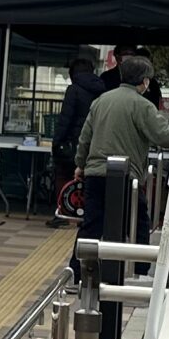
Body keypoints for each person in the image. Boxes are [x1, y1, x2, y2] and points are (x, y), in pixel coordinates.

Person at [75, 55, 169, 339]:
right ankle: (140, 272)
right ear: (144, 81)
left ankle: (80, 271)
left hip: (95, 172)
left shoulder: (101, 101)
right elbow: (164, 136)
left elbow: (85, 136)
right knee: (138, 221)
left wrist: (80, 164)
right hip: (126, 177)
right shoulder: (142, 105)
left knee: (92, 223)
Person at [50, 48, 114, 217]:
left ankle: (64, 211)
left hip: (73, 143)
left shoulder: (74, 90)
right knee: (88, 181)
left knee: (64, 176)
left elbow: (65, 120)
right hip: (96, 144)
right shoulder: (103, 91)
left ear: (73, 73)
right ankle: (86, 212)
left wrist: (56, 143)